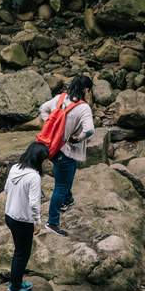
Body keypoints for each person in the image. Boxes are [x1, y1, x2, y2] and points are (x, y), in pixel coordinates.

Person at [39, 74, 94, 237]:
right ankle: (52, 222)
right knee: (61, 186)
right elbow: (90, 130)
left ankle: (67, 199)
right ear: (86, 89)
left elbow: (42, 108)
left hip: (53, 147)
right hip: (68, 151)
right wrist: (77, 138)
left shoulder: (60, 98)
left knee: (63, 176)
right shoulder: (84, 108)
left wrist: (49, 123)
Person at [3, 141, 48, 291]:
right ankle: (15, 289)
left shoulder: (15, 167)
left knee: (18, 252)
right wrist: (37, 222)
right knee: (22, 254)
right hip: (23, 220)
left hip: (9, 215)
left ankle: (16, 281)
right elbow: (34, 203)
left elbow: (6, 189)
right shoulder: (34, 177)